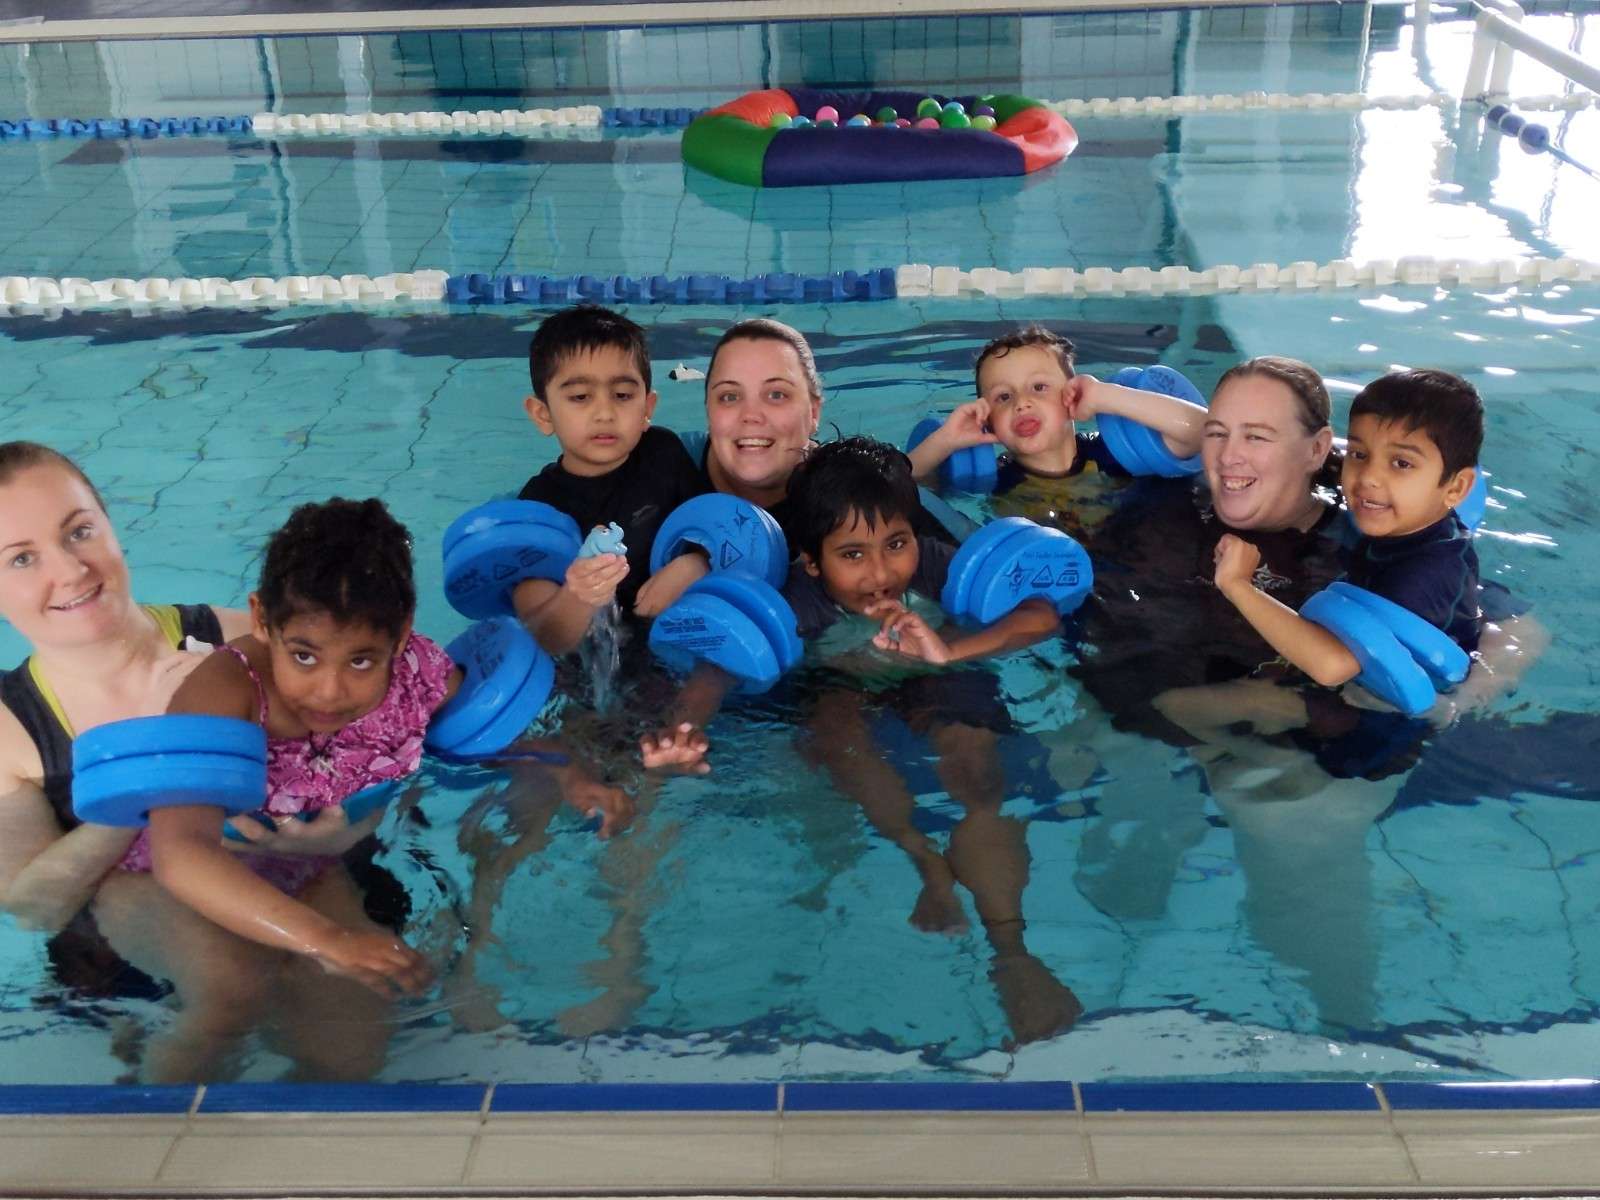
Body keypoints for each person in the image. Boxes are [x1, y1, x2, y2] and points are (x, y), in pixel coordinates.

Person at [646, 438, 1080, 1045]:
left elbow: (1041, 616)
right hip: (838, 681)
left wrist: (947, 649)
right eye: (852, 554)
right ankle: (922, 857)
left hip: (935, 671)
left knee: (977, 772)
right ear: (811, 562)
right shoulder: (799, 602)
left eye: (894, 544)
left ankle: (1011, 951)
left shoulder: (933, 565)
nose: (880, 573)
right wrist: (683, 730)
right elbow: (717, 666)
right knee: (835, 729)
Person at [0, 441, 281, 1078]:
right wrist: (151, 766)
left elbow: (368, 755)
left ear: (111, 525)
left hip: (296, 880)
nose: (70, 570)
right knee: (230, 988)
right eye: (22, 558)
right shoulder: (10, 730)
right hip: (126, 966)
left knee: (348, 1053)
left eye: (80, 531)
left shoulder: (237, 641)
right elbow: (33, 906)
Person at [1211, 369, 1484, 685]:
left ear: (1456, 488)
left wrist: (1238, 585)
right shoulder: (1412, 521)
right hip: (1363, 657)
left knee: (1179, 707)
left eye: (1401, 463)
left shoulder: (1426, 576)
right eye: (1359, 454)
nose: (1368, 476)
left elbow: (1333, 667)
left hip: (1382, 710)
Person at [512, 305, 705, 652]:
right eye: (580, 397)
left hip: (680, 636)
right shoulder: (537, 508)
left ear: (647, 408)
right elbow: (545, 636)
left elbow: (711, 528)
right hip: (598, 658)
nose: (604, 413)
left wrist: (695, 563)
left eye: (622, 395)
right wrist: (578, 594)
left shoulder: (663, 453)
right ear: (543, 415)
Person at [908, 326, 1206, 538]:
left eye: (1039, 388)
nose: (1022, 403)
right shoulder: (993, 480)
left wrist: (1106, 396)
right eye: (1003, 397)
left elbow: (1203, 433)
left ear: (1073, 395)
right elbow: (899, 489)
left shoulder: (1113, 454)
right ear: (987, 419)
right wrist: (945, 440)